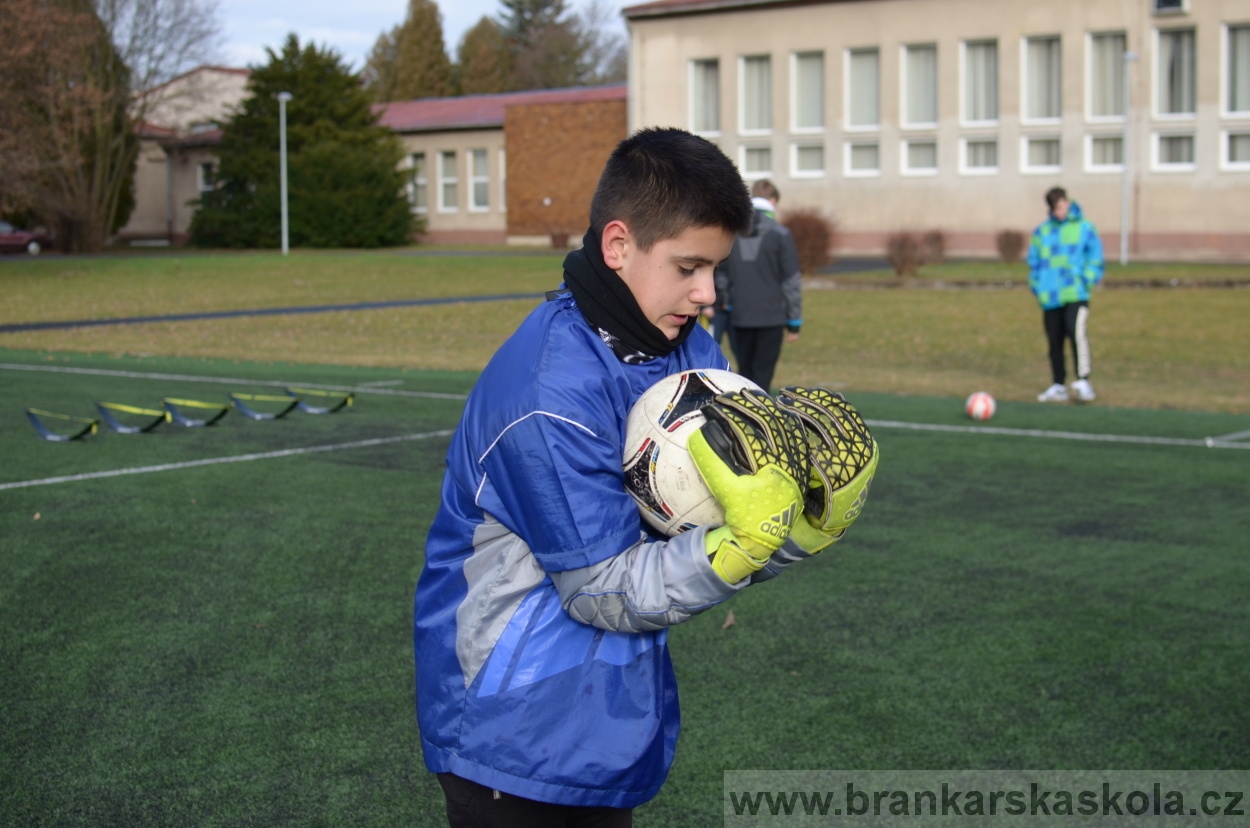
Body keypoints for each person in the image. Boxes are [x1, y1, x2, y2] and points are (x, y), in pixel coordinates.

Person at [413, 128, 877, 827]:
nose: (708, 293)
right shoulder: (548, 394)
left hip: (607, 715)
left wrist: (792, 532)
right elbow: (601, 588)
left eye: (716, 269)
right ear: (618, 246)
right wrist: (742, 548)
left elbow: (698, 528)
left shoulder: (685, 345)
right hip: (509, 728)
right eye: (689, 267)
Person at [715, 178, 803, 392]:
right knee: (763, 374)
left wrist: (725, 300)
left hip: (739, 314)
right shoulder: (781, 235)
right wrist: (794, 320)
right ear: (772, 200)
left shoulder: (733, 234)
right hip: (771, 317)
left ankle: (742, 417)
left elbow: (721, 272)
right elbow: (790, 281)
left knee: (744, 372)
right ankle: (759, 419)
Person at [1027, 186, 1104, 403]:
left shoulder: (1084, 228)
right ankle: (1058, 384)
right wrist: (1037, 285)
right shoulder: (1042, 232)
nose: (1061, 211)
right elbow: (1034, 262)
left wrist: (1087, 278)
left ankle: (1083, 380)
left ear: (1068, 202)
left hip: (1075, 293)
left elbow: (1095, 256)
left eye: (1063, 206)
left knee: (1075, 331)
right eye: (1056, 208)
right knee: (1054, 340)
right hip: (1050, 296)